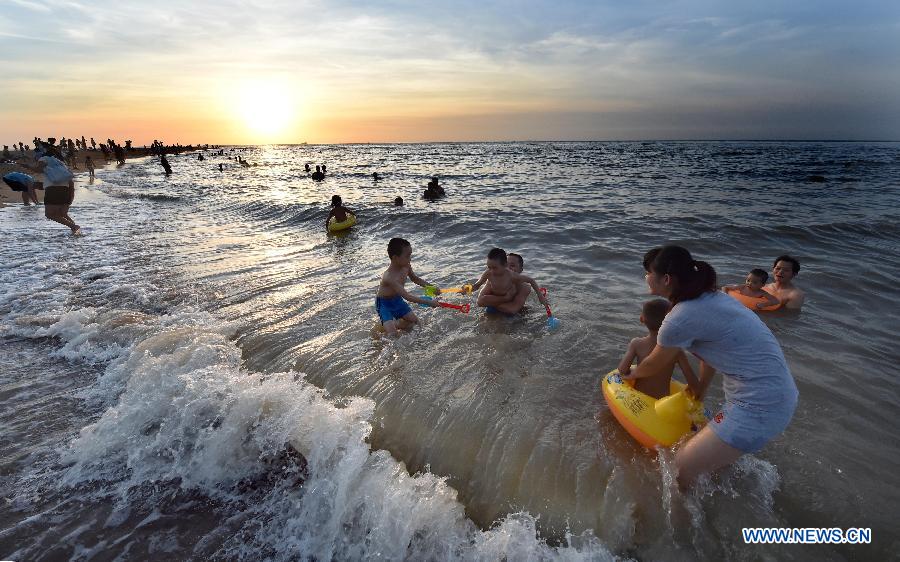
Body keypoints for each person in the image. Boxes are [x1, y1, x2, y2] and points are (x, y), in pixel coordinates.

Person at [621, 245, 798, 488]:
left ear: (666, 279)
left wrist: (631, 374)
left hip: (760, 404)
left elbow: (654, 362)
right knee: (710, 464)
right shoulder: (713, 297)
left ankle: (683, 523)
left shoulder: (680, 317)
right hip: (776, 394)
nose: (645, 277)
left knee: (679, 470)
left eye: (648, 272)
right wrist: (701, 389)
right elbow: (708, 353)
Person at [618, 299, 699, 399]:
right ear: (670, 323)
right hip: (662, 403)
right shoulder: (675, 350)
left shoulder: (637, 344)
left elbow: (622, 370)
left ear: (641, 319)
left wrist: (631, 372)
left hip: (639, 399)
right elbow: (692, 380)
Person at [375, 237, 439, 335]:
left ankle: (396, 323)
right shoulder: (389, 277)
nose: (410, 259)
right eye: (407, 256)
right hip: (384, 304)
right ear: (395, 258)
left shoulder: (406, 267)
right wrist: (429, 302)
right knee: (393, 334)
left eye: (410, 255)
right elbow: (407, 296)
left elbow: (415, 279)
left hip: (396, 299)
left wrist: (432, 287)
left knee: (415, 322)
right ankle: (387, 324)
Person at [471, 248, 547, 314]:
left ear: (521, 270)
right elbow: (480, 301)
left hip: (512, 315)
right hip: (493, 310)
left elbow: (512, 310)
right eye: (507, 265)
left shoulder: (524, 287)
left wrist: (540, 296)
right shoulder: (492, 277)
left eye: (512, 265)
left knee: (522, 314)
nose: (508, 268)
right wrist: (469, 289)